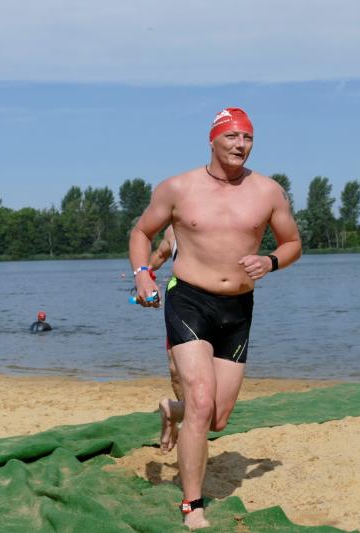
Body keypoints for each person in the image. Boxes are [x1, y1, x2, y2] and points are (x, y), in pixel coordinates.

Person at [129, 107, 302, 529]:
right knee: (202, 402)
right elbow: (141, 232)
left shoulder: (268, 191)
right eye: (232, 137)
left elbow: (293, 243)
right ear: (213, 139)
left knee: (217, 419)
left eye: (248, 138)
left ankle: (173, 409)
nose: (241, 145)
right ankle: (193, 505)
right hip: (189, 300)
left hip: (238, 308)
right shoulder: (178, 187)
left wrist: (271, 261)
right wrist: (142, 274)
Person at [148, 225, 184, 450]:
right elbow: (160, 255)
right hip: (180, 298)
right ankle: (180, 416)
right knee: (175, 369)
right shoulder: (174, 229)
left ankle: (176, 410)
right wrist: (146, 276)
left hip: (221, 301)